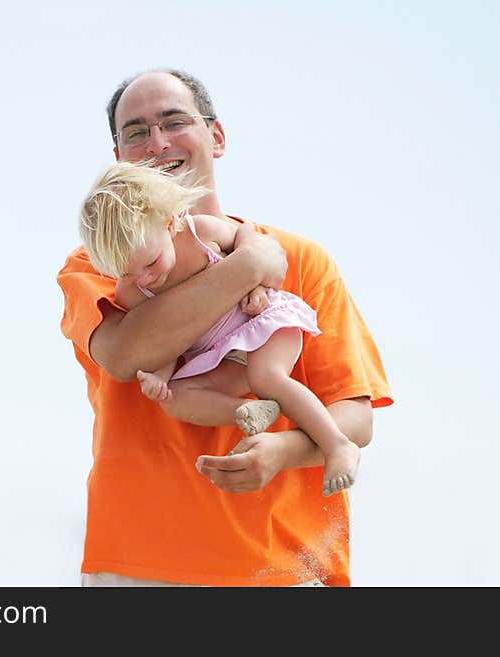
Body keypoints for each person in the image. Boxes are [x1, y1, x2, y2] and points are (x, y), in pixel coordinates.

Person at [57, 68, 393, 587]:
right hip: (137, 565)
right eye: (136, 132)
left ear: (216, 137)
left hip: (285, 567)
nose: (158, 143)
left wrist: (285, 452)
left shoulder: (305, 260)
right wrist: (248, 266)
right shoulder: (97, 264)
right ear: (120, 157)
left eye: (174, 122)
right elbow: (125, 355)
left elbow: (356, 415)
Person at [79, 161, 360, 497]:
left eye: (151, 263)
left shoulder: (199, 232)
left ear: (170, 224)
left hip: (261, 322)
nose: (146, 278)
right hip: (220, 354)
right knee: (177, 397)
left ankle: (338, 445)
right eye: (127, 272)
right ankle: (246, 411)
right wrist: (160, 377)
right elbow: (164, 340)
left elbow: (248, 241)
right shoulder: (131, 291)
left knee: (267, 378)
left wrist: (257, 283)